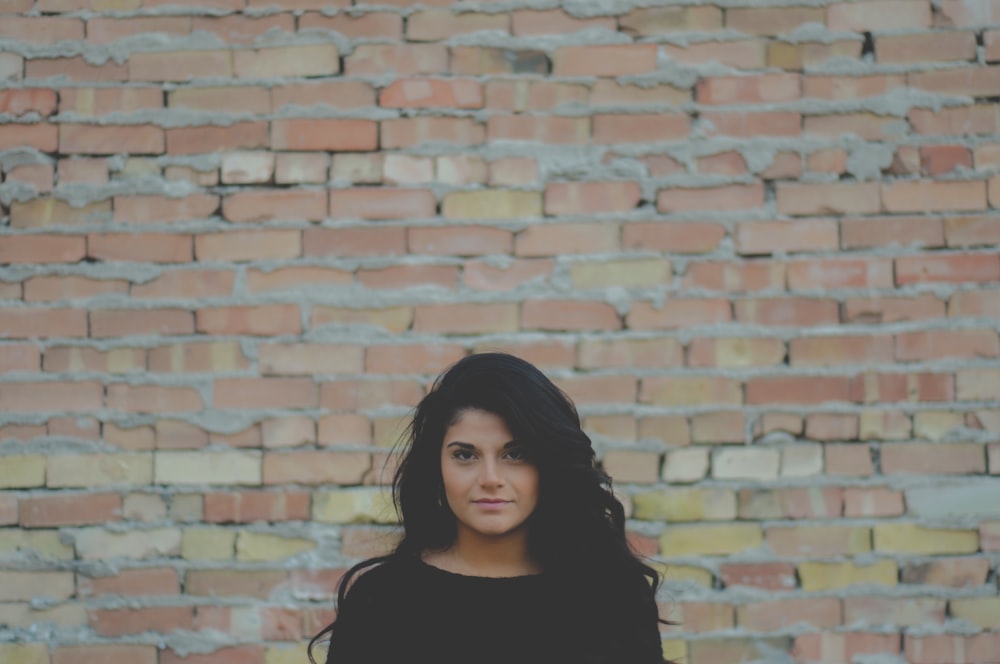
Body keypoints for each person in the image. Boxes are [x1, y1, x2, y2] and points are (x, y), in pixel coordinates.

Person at [309, 352, 667, 664]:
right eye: (465, 455)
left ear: (548, 463)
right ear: (437, 468)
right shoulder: (382, 601)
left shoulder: (612, 596)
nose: (490, 478)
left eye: (516, 454)